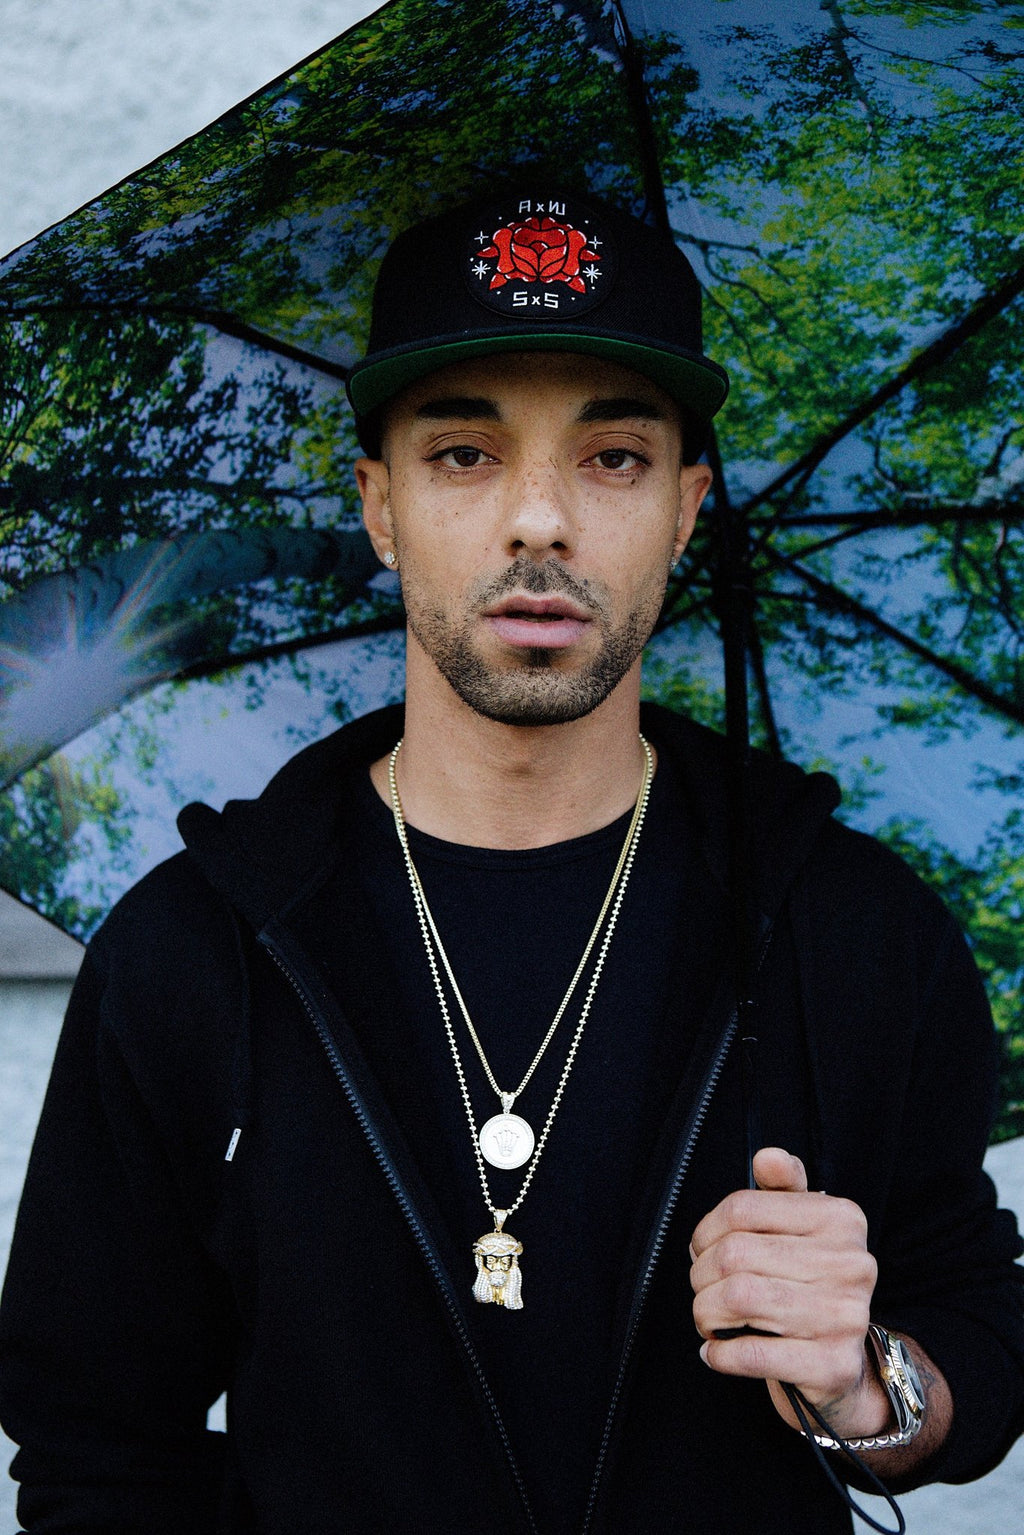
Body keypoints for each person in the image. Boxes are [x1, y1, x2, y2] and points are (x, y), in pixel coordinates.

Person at [1, 187, 1023, 1535]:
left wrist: (870, 1384)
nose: (539, 521)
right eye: (465, 455)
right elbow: (94, 1452)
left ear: (686, 506)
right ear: (378, 505)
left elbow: (974, 1328)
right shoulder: (199, 951)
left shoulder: (851, 927)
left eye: (612, 459)